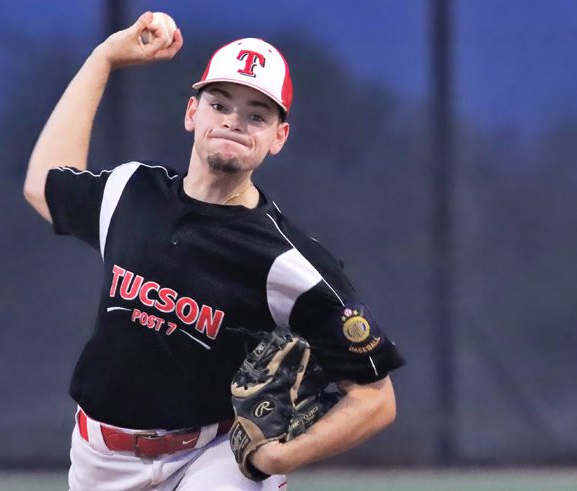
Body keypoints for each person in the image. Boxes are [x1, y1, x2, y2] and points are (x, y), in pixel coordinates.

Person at [23, 12, 405, 490]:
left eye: (256, 115)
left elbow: (376, 398)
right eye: (219, 104)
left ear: (278, 137)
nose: (233, 122)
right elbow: (43, 184)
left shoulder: (286, 260)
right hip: (99, 458)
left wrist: (278, 456)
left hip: (215, 456)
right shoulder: (131, 192)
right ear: (191, 113)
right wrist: (103, 59)